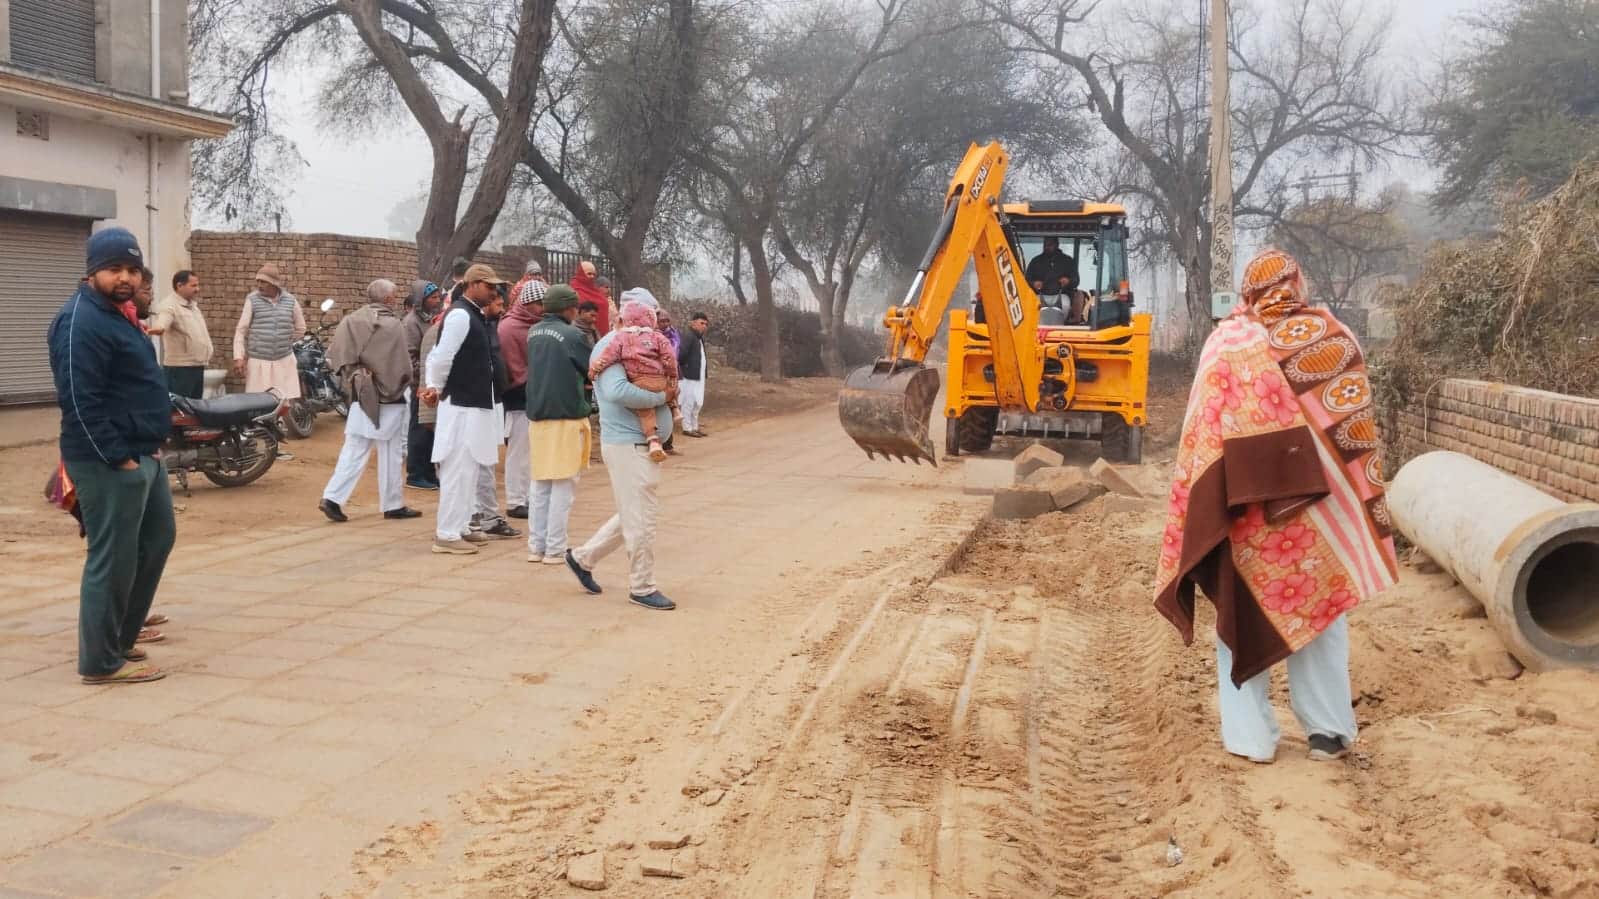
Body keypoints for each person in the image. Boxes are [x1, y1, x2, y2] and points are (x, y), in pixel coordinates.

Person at [1154, 248, 1398, 765]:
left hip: (1246, 518)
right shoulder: (1335, 339)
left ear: (1247, 291)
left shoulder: (1225, 345)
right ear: (1297, 284)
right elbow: (1354, 437)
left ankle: (1251, 740)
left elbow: (1199, 440)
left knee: (1242, 612)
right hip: (1322, 518)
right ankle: (1328, 734)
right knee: (1325, 617)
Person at [46, 227, 174, 684]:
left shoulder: (119, 314)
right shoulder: (81, 321)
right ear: (92, 271)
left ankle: (120, 637)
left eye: (132, 269)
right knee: (113, 556)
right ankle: (100, 661)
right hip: (109, 460)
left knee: (157, 539)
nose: (125, 277)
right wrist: (116, 456)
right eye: (114, 268)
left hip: (144, 452)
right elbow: (80, 399)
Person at [565, 295, 676, 612]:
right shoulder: (614, 345)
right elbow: (617, 392)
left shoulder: (641, 342)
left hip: (642, 445)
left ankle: (583, 558)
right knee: (641, 520)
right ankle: (642, 586)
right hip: (628, 445)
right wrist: (663, 395)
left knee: (636, 513)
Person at [421, 264, 509, 554]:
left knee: (470, 469)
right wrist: (435, 386)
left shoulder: (475, 316)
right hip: (460, 405)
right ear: (472, 285)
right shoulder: (460, 315)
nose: (494, 291)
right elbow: (440, 356)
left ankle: (459, 527)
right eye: (489, 286)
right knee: (457, 469)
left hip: (474, 404)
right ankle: (446, 534)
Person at [319, 279, 420, 523]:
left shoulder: (351, 320)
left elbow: (336, 355)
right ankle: (392, 504)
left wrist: (356, 376)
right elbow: (401, 366)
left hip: (361, 393)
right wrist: (403, 382)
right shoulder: (392, 325)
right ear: (387, 299)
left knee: (354, 449)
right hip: (388, 397)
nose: (396, 300)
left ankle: (332, 497)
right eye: (394, 296)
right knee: (391, 452)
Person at [524, 285, 593, 565]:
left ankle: (536, 547)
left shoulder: (533, 333)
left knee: (540, 484)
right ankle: (555, 548)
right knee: (564, 484)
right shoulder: (574, 335)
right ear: (568, 308)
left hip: (538, 415)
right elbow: (590, 368)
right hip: (566, 415)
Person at [588, 301, 681, 461]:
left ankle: (652, 439)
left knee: (647, 412)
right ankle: (673, 412)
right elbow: (670, 357)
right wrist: (671, 378)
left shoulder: (621, 339)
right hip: (629, 445)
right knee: (664, 395)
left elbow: (608, 357)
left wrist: (594, 369)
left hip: (641, 380)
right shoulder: (656, 337)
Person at [470, 285, 521, 540]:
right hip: (475, 404)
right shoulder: (471, 326)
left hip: (493, 400)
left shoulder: (489, 327)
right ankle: (481, 515)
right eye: (498, 304)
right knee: (478, 461)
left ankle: (485, 515)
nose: (501, 309)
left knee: (487, 460)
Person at [498, 278, 547, 519]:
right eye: (539, 303)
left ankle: (528, 497)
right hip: (517, 397)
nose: (542, 309)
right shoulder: (508, 328)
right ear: (527, 303)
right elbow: (511, 367)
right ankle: (515, 500)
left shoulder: (537, 325)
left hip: (536, 396)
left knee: (532, 452)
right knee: (518, 452)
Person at [232, 263, 305, 398]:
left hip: (284, 360)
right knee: (258, 402)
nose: (259, 285)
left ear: (274, 283)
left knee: (284, 402)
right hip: (259, 362)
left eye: (263, 282)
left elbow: (301, 328)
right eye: (258, 281)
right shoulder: (252, 300)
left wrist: (285, 341)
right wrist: (238, 357)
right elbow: (241, 330)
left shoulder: (290, 301)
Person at [148, 270, 213, 399]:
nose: (197, 289)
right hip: (180, 369)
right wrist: (154, 329)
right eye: (193, 285)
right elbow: (162, 324)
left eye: (197, 285)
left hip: (196, 366)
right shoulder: (169, 306)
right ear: (179, 286)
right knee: (180, 411)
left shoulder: (193, 307)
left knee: (194, 409)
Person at [404, 280, 443, 489]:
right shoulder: (411, 323)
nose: (436, 301)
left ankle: (428, 472)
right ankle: (415, 473)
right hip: (419, 383)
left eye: (438, 297)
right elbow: (410, 355)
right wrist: (426, 371)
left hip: (429, 382)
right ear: (422, 299)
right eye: (432, 297)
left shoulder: (429, 320)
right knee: (419, 429)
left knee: (429, 430)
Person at [677, 311, 709, 437]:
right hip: (689, 376)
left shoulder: (699, 338)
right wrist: (686, 368)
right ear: (693, 323)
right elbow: (681, 355)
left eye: (706, 324)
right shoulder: (689, 336)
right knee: (688, 402)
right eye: (701, 323)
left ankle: (695, 426)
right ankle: (687, 428)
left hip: (698, 376)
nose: (704, 326)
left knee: (697, 402)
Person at [570, 260, 611, 335]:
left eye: (594, 274)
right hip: (581, 332)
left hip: (599, 335)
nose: (592, 277)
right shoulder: (574, 289)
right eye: (589, 274)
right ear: (581, 273)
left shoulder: (594, 290)